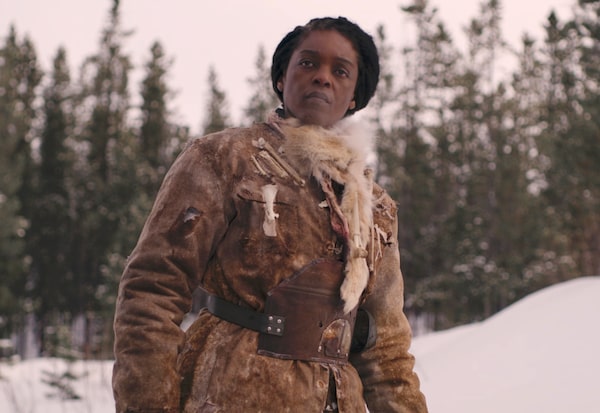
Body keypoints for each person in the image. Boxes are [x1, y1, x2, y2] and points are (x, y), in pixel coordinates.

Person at [112, 16, 428, 413]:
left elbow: (386, 348)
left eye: (341, 71)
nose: (322, 77)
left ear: (354, 96)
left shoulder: (375, 208)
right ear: (282, 77)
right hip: (230, 393)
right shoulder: (224, 159)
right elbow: (152, 291)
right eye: (308, 63)